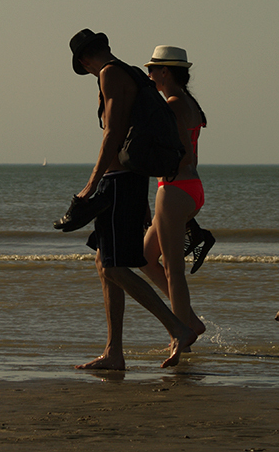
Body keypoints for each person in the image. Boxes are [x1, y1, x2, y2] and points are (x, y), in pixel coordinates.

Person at [66, 29, 197, 370]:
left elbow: (113, 132)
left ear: (84, 61)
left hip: (118, 180)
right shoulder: (133, 75)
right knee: (103, 263)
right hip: (129, 180)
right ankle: (114, 352)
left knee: (114, 266)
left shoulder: (109, 74)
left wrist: (91, 184)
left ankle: (177, 327)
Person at [140, 46, 209, 336]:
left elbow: (177, 153)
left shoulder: (172, 105)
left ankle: (181, 335)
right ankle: (189, 321)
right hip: (190, 187)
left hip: (174, 187)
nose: (149, 74)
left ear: (165, 71)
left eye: (152, 69)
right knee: (144, 257)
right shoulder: (189, 103)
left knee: (173, 270)